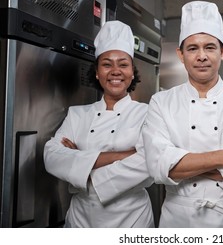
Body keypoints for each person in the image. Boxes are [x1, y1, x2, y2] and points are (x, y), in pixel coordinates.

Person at [142, 1, 223, 228]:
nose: (201, 56)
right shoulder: (161, 102)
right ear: (180, 54)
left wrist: (182, 165)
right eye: (192, 48)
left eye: (210, 47)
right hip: (178, 221)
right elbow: (157, 168)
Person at [44, 20, 154, 227]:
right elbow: (51, 156)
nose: (115, 71)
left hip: (131, 219)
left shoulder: (147, 114)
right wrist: (123, 156)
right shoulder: (78, 114)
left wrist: (79, 164)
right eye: (106, 64)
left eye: (123, 64)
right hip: (80, 220)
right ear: (97, 72)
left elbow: (150, 164)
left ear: (132, 72)